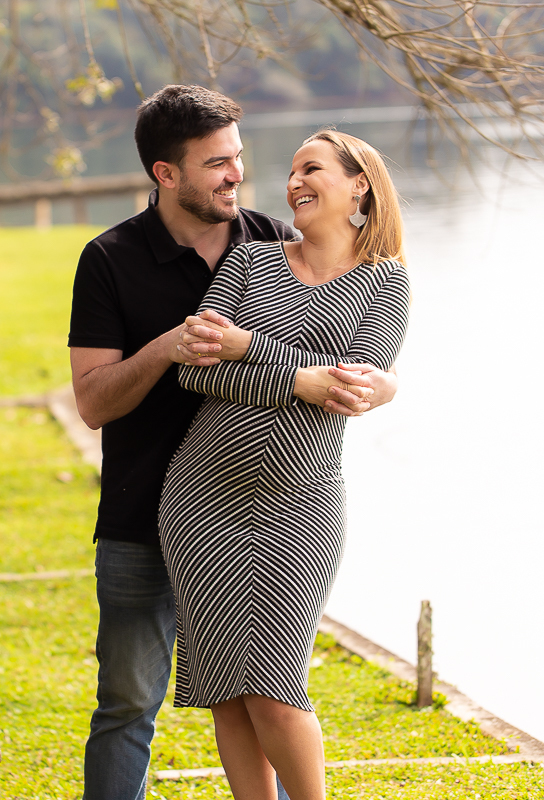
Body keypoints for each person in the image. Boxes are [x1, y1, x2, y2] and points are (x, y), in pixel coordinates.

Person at [67, 85, 399, 800]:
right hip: (151, 508)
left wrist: (375, 383)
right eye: (217, 162)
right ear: (167, 173)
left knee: (268, 684)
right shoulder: (109, 259)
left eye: (239, 158)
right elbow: (97, 401)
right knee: (134, 701)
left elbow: (353, 362)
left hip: (283, 504)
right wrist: (176, 349)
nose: (238, 174)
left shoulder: (267, 241)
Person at [157, 129, 412, 800]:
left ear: (359, 184)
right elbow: (196, 372)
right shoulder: (250, 262)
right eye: (292, 169)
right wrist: (299, 379)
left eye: (313, 168)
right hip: (200, 499)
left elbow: (352, 389)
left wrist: (248, 347)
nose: (294, 180)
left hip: (301, 507)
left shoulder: (385, 282)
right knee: (226, 690)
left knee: (272, 686)